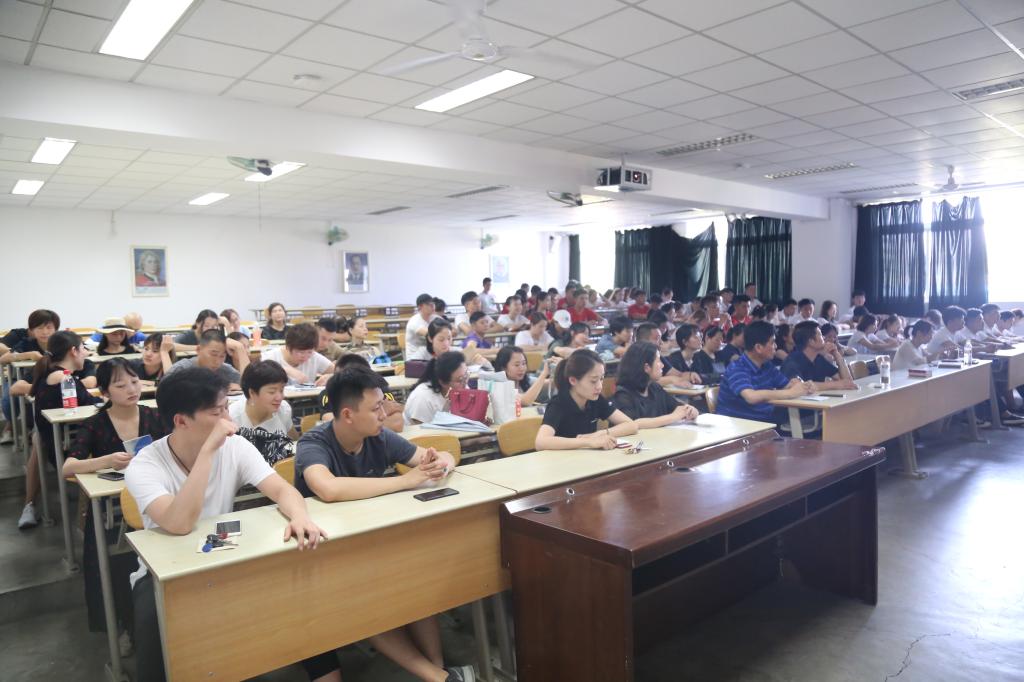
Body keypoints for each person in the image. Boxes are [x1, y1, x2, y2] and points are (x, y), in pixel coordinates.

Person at [126, 367, 325, 682]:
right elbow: (179, 523)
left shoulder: (235, 447)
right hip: (161, 572)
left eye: (226, 409)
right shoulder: (145, 464)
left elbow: (282, 490)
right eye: (216, 412)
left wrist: (300, 516)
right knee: (154, 619)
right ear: (181, 421)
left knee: (292, 588)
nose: (227, 422)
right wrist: (207, 451)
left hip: (220, 553)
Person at [293, 368, 474, 682]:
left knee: (416, 583)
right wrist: (405, 481)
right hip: (326, 555)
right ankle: (439, 677)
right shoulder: (314, 443)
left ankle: (438, 669)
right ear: (348, 415)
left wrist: (439, 464)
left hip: (373, 543)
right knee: (369, 605)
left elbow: (441, 456)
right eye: (376, 407)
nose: (384, 413)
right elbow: (328, 488)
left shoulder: (378, 436)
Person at [63, 358, 166, 639]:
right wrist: (106, 460)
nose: (131, 389)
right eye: (121, 385)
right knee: (116, 564)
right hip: (112, 510)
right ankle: (124, 627)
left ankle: (155, 626)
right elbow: (68, 468)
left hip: (155, 500)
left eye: (134, 381)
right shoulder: (96, 424)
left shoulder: (154, 415)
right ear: (105, 392)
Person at [19, 331, 99, 529]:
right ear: (73, 351)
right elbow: (92, 403)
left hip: (56, 446)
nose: (85, 353)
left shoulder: (49, 374)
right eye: (83, 349)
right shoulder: (64, 378)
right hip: (67, 451)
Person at [534, 349, 638, 450]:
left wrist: (600, 434)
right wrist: (588, 442)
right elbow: (541, 442)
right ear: (573, 380)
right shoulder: (558, 403)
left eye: (601, 379)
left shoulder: (596, 399)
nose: (599, 386)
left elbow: (631, 425)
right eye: (593, 381)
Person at [717, 321, 815, 423]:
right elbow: (751, 397)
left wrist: (802, 386)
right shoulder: (737, 367)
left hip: (764, 421)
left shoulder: (766, 365)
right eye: (772, 342)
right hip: (739, 425)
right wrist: (790, 393)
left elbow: (786, 385)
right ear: (758, 348)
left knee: (807, 418)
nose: (776, 346)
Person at [1, 309, 61, 444]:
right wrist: (28, 354)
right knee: (8, 400)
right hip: (22, 379)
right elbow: (3, 359)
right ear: (32, 330)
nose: (45, 332)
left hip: (50, 381)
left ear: (56, 329)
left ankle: (37, 432)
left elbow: (85, 351)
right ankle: (17, 428)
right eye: (39, 328)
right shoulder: (27, 343)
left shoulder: (61, 342)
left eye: (49, 327)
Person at [613, 342, 699, 425]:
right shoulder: (623, 395)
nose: (662, 365)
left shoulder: (655, 388)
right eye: (658, 361)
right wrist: (673, 417)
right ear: (646, 367)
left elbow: (677, 407)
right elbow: (633, 424)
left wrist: (689, 410)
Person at [230, 360, 298, 439]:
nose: (280, 397)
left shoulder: (283, 409)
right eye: (272, 392)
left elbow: (295, 442)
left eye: (281, 390)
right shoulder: (232, 417)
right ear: (252, 393)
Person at [780, 321, 857, 389]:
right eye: (820, 335)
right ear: (811, 341)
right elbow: (800, 386)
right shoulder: (792, 362)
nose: (823, 337)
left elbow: (848, 382)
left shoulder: (818, 359)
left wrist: (837, 356)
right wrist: (835, 385)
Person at [164, 329, 248, 391]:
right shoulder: (182, 369)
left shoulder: (225, 370)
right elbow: (164, 390)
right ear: (198, 350)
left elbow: (249, 385)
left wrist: (240, 348)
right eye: (213, 354)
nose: (217, 361)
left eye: (222, 356)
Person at [403, 351, 467, 425]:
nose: (465, 382)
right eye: (460, 380)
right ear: (443, 382)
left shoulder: (461, 386)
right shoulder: (422, 397)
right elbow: (422, 430)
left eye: (466, 375)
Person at [261, 323, 333, 386]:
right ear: (288, 347)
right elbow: (257, 375)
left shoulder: (314, 357)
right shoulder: (270, 357)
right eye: (301, 352)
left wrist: (330, 377)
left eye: (309, 352)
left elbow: (338, 372)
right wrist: (284, 370)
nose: (305, 357)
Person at [405, 293, 438, 361]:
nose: (433, 306)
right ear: (420, 307)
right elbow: (430, 334)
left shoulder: (435, 317)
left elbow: (451, 330)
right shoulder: (414, 321)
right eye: (429, 304)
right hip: (415, 358)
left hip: (430, 355)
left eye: (433, 304)